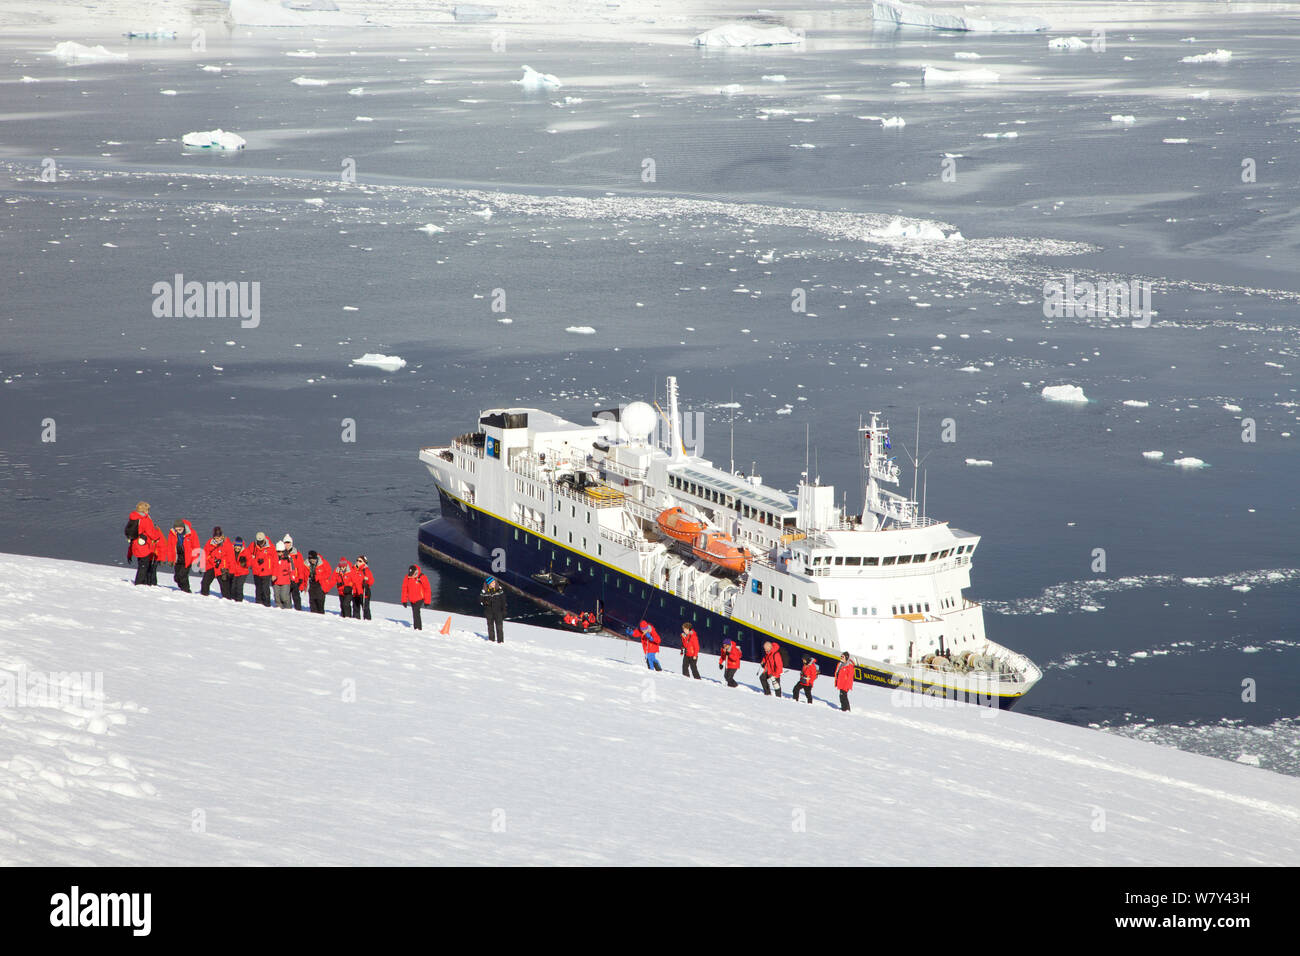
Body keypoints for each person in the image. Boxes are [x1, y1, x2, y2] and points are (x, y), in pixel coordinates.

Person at [125, 501, 162, 586]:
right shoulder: (144, 519)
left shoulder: (133, 517)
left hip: (135, 544)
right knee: (144, 565)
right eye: (148, 509)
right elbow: (151, 532)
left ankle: (142, 582)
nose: (148, 511)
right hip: (143, 545)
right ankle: (139, 583)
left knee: (141, 563)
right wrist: (157, 537)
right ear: (145, 510)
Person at [167, 518, 200, 593]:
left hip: (188, 558)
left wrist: (195, 560)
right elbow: (170, 547)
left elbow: (196, 547)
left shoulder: (192, 533)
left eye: (180, 529)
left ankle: (186, 591)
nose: (178, 531)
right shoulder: (172, 533)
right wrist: (170, 559)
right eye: (177, 529)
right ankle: (183, 589)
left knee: (183, 575)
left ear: (183, 527)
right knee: (176, 577)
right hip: (177, 557)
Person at [202, 527, 234, 597]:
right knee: (205, 583)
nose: (218, 540)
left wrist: (231, 571)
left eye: (219, 538)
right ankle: (204, 597)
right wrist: (210, 561)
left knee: (225, 587)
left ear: (222, 536)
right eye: (216, 538)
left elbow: (231, 558)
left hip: (223, 568)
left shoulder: (227, 544)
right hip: (211, 566)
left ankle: (227, 601)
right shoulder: (209, 543)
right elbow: (205, 554)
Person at [247, 532, 276, 607]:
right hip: (256, 571)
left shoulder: (271, 547)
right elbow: (247, 555)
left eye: (261, 541)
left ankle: (267, 604)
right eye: (258, 542)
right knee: (258, 589)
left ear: (264, 540)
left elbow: (275, 561)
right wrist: (251, 563)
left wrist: (274, 574)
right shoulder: (253, 545)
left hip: (267, 572)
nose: (260, 543)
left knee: (265, 589)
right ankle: (258, 603)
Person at [401, 564, 432, 630]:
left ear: (416, 571)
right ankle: (416, 627)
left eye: (412, 573)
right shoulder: (407, 577)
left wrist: (427, 601)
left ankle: (418, 628)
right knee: (414, 612)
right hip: (412, 599)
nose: (411, 575)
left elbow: (427, 589)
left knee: (416, 612)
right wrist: (404, 600)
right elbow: (404, 589)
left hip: (420, 598)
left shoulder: (422, 577)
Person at [282, 535, 307, 610]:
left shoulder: (297, 554)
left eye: (288, 543)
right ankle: (287, 609)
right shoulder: (281, 553)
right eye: (285, 543)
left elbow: (300, 568)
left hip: (295, 579)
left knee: (296, 597)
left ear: (291, 543)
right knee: (285, 596)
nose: (287, 544)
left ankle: (298, 610)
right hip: (285, 579)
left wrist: (301, 580)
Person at [480, 576, 506, 643]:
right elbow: (480, 601)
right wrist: (486, 602)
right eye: (492, 583)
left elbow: (503, 601)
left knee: (499, 627)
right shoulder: (484, 592)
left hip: (498, 612)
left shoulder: (499, 590)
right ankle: (491, 640)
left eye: (494, 582)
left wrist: (504, 610)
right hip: (489, 612)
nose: (493, 584)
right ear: (488, 584)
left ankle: (500, 641)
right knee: (490, 627)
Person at [272, 542, 294, 608]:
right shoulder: (273, 557)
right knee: (277, 597)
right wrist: (273, 575)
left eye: (281, 551)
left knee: (284, 597)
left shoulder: (288, 558)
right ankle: (279, 610)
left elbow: (291, 569)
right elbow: (271, 567)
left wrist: (292, 578)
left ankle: (288, 609)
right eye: (278, 551)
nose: (280, 553)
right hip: (275, 581)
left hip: (285, 581)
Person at [228, 537, 250, 602]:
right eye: (236, 547)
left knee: (239, 586)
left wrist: (245, 563)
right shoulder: (231, 551)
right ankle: (233, 599)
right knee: (233, 586)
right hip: (235, 572)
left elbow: (250, 561)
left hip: (243, 572)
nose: (237, 548)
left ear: (241, 546)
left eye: (239, 547)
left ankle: (239, 600)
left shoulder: (245, 551)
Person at [353, 556, 374, 620]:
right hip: (355, 592)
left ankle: (367, 621)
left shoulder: (366, 570)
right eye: (357, 560)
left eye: (360, 561)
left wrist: (366, 583)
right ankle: (356, 620)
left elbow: (371, 580)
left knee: (365, 608)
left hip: (364, 592)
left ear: (364, 563)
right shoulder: (353, 569)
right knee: (355, 607)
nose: (358, 562)